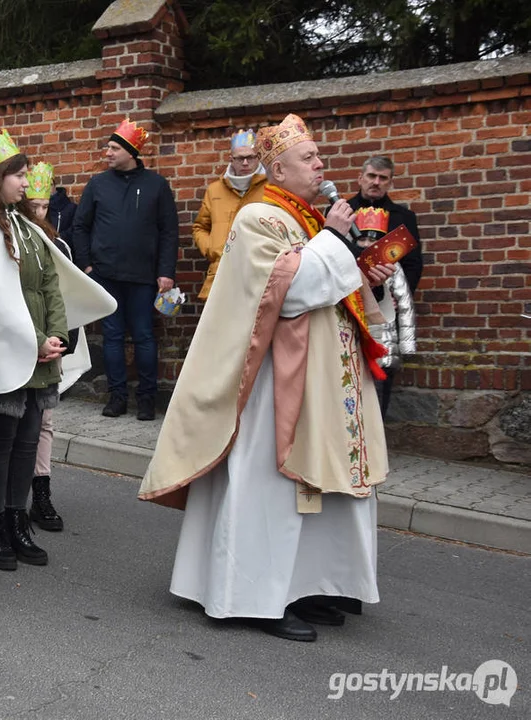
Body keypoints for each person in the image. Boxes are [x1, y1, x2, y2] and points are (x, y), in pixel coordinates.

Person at [138, 113, 397, 643]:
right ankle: (251, 595)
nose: (321, 164)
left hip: (324, 382)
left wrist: (365, 272)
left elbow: (335, 289)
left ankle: (310, 585)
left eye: (319, 156)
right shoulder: (260, 217)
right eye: (309, 158)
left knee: (321, 486)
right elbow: (287, 292)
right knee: (270, 488)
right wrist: (334, 241)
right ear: (277, 168)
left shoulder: (308, 220)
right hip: (272, 384)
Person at [0, 129, 115, 571]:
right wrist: (32, 339)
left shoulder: (26, 226)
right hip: (10, 350)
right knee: (2, 442)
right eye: (19, 175)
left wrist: (58, 337)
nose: (26, 183)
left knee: (28, 443)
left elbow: (51, 285)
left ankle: (17, 519)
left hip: (41, 350)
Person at [73, 118, 179, 421]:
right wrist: (88, 266)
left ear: (131, 151)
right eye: (108, 147)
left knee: (145, 336)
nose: (107, 153)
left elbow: (169, 231)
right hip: (105, 275)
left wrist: (166, 271)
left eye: (114, 148)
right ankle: (117, 397)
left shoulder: (156, 185)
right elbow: (81, 226)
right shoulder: (97, 184)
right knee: (112, 336)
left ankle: (147, 399)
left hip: (144, 277)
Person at [24, 161, 91, 532]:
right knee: (17, 421)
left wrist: (63, 342)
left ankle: (42, 490)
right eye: (30, 207)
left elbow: (70, 300)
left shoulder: (60, 245)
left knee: (45, 421)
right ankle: (10, 495)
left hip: (52, 344)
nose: (38, 213)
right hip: (22, 342)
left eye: (43, 207)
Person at [347, 156, 424, 419]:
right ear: (360, 178)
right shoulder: (341, 211)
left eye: (382, 178)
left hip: (385, 307)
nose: (376, 182)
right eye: (371, 176)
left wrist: (395, 297)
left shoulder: (404, 217)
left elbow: (414, 265)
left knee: (382, 369)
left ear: (390, 182)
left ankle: (376, 438)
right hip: (347, 302)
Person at [192, 129, 267, 302]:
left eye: (251, 157)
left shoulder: (271, 188)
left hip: (260, 272)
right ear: (231, 159)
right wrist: (211, 248)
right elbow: (200, 227)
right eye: (240, 158)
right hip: (221, 272)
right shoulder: (215, 190)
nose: (246, 162)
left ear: (259, 157)